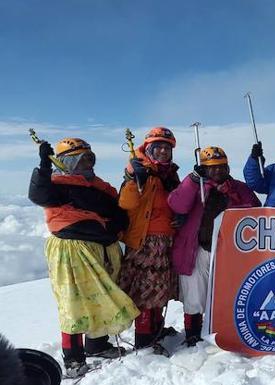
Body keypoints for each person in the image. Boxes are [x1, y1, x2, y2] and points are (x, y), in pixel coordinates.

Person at [28, 138, 139, 377]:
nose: (87, 162)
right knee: (74, 304)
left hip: (101, 249)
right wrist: (44, 167)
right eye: (81, 158)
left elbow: (118, 210)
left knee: (99, 299)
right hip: (72, 252)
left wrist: (117, 227)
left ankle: (96, 345)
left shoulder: (99, 185)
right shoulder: (56, 184)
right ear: (67, 161)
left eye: (90, 157)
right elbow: (38, 194)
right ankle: (73, 359)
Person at [168, 146, 261, 346]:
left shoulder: (239, 188)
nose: (218, 171)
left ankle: (223, 330)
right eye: (212, 167)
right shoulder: (195, 185)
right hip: (196, 248)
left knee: (225, 293)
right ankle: (192, 333)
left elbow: (255, 211)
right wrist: (193, 180)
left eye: (221, 166)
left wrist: (235, 203)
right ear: (204, 168)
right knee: (194, 294)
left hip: (227, 252)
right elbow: (177, 204)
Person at [118, 127, 181, 354]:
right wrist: (132, 180)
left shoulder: (169, 174)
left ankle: (155, 329)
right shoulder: (139, 170)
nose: (164, 151)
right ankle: (144, 340)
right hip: (146, 242)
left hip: (165, 240)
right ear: (149, 148)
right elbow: (126, 203)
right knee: (146, 290)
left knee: (158, 288)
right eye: (159, 147)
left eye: (167, 147)